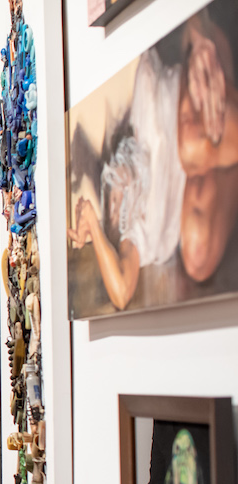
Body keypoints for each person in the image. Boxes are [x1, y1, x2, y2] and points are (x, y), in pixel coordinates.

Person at [68, 16, 238, 310]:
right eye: (110, 207)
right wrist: (94, 227)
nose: (113, 200)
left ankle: (200, 31)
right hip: (188, 139)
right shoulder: (135, 235)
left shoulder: (127, 159)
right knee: (198, 255)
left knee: (191, 148)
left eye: (109, 195)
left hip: (172, 101)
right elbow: (121, 294)